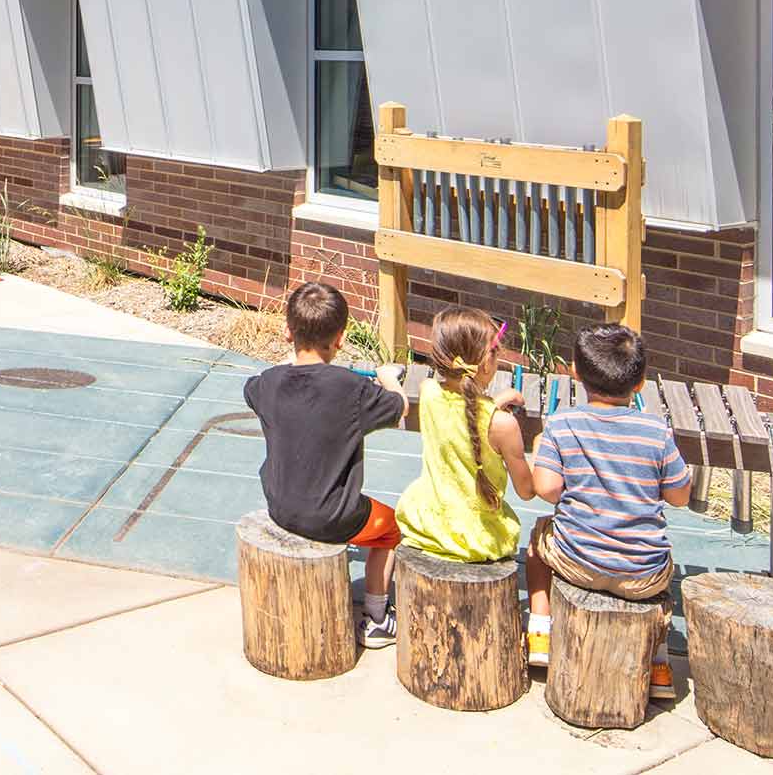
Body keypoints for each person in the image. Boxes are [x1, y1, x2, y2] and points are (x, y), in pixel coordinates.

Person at [243, 280, 412, 647]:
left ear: (288, 331)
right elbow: (400, 408)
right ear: (340, 338)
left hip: (279, 507)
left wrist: (288, 364)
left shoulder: (269, 383)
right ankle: (378, 617)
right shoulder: (350, 388)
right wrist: (388, 380)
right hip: (334, 517)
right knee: (391, 528)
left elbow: (250, 387)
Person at [525, 323, 691, 698]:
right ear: (640, 381)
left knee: (537, 541)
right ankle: (659, 662)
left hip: (577, 563)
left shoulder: (561, 425)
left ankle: (539, 626)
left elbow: (547, 490)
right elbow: (680, 497)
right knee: (663, 567)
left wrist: (541, 449)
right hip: (640, 576)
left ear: (574, 371)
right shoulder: (656, 431)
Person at [392, 308, 535, 567]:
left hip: (427, 524)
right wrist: (539, 448)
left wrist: (496, 401)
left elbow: (465, 413)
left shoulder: (429, 392)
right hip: (477, 540)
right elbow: (526, 491)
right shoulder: (503, 425)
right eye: (495, 350)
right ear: (485, 363)